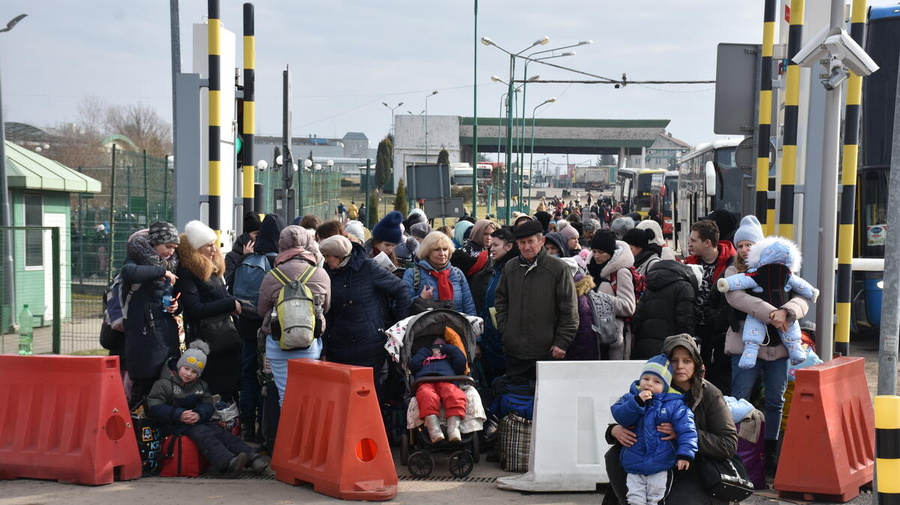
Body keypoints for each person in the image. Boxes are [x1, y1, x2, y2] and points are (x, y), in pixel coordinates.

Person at [604, 333, 738, 505]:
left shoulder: (710, 394)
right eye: (674, 361)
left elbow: (728, 444)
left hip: (694, 465)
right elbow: (626, 411)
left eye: (687, 361)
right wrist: (614, 430)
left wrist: (683, 435)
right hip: (652, 460)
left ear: (696, 363)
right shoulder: (652, 386)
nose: (680, 366)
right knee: (614, 455)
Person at [721, 215, 809, 474]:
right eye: (741, 245)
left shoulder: (784, 270)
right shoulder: (734, 272)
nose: (745, 249)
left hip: (779, 349)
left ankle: (770, 452)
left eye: (750, 244)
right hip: (744, 346)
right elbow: (736, 298)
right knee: (740, 399)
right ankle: (737, 451)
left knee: (775, 400)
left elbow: (803, 297)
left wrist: (789, 311)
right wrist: (775, 313)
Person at [147, 341, 268, 477]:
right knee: (203, 434)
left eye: (194, 372)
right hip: (172, 424)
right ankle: (227, 463)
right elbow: (154, 405)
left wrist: (199, 414)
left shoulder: (201, 386)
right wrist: (178, 414)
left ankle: (253, 458)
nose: (188, 374)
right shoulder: (163, 384)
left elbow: (207, 405)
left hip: (196, 421)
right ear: (180, 366)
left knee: (222, 433)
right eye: (186, 369)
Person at [318, 234, 411, 399]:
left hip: (370, 343)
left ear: (340, 256)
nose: (325, 261)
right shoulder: (327, 273)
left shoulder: (368, 267)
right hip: (339, 345)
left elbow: (401, 290)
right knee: (344, 396)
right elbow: (326, 313)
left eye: (328, 257)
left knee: (369, 394)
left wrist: (398, 328)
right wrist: (325, 347)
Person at [257, 225, 331, 406]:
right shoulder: (320, 273)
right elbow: (326, 307)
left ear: (281, 245)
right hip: (309, 343)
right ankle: (307, 434)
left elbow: (261, 310)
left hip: (278, 344)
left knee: (285, 397)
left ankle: (288, 434)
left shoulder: (272, 275)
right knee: (308, 395)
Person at [494, 219, 578, 379]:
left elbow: (569, 311)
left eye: (530, 241)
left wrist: (562, 342)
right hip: (514, 352)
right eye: (522, 242)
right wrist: (506, 331)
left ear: (541, 241)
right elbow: (501, 301)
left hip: (547, 352)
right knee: (517, 399)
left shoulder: (558, 269)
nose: (526, 247)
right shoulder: (510, 268)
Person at [610, 354, 697, 505]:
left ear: (665, 386)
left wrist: (685, 454)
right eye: (646, 379)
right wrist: (636, 402)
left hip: (661, 464)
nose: (649, 384)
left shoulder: (674, 404)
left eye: (657, 381)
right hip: (634, 462)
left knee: (656, 499)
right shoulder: (631, 397)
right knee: (634, 499)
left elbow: (687, 429)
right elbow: (620, 416)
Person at [175, 220, 243, 401]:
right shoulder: (188, 272)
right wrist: (230, 304)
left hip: (223, 337)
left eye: (214, 245)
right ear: (196, 249)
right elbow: (194, 309)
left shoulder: (211, 269)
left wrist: (231, 304)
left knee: (231, 385)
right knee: (215, 387)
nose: (214, 250)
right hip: (208, 340)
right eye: (208, 246)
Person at [121, 222, 182, 405]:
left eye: (174, 248)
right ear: (154, 243)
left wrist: (175, 307)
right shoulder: (136, 258)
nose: (170, 251)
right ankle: (139, 428)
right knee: (144, 386)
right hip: (143, 334)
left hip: (164, 331)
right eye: (167, 246)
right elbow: (128, 272)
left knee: (164, 385)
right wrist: (161, 270)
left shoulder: (172, 264)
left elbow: (169, 296)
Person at [683, 219, 736, 395]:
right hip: (696, 329)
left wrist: (716, 318)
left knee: (718, 375)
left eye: (693, 240)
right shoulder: (688, 264)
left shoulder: (730, 264)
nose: (689, 244)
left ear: (707, 243)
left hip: (719, 331)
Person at [470, 227, 517, 384]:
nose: (492, 249)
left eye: (496, 245)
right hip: (492, 337)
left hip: (503, 339)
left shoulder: (512, 271)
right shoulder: (496, 269)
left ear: (509, 246)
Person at [631, 260, 697, 360]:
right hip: (671, 348)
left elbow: (638, 319)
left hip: (643, 346)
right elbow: (685, 322)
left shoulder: (649, 288)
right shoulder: (684, 287)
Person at [587, 230, 636, 360]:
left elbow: (628, 306)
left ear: (611, 253)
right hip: (593, 335)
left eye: (601, 252)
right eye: (594, 251)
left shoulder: (621, 272)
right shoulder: (589, 269)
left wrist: (597, 299)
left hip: (614, 339)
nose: (596, 256)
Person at [402, 231, 476, 315]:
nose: (442, 253)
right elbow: (403, 308)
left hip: (456, 326)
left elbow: (469, 307)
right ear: (427, 251)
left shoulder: (457, 274)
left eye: (445, 249)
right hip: (425, 327)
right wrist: (421, 299)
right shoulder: (412, 274)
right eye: (436, 249)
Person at [409, 338, 468, 443]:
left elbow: (461, 361)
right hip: (425, 380)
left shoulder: (449, 360)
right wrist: (427, 351)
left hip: (447, 379)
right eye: (435, 345)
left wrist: (446, 349)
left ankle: (453, 427)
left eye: (441, 344)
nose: (438, 347)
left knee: (454, 394)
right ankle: (434, 428)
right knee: (426, 395)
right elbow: (414, 365)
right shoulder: (425, 358)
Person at [224, 211, 261, 289]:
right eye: (256, 234)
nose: (259, 237)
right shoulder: (231, 257)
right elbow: (230, 282)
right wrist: (246, 258)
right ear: (246, 236)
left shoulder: (261, 253)